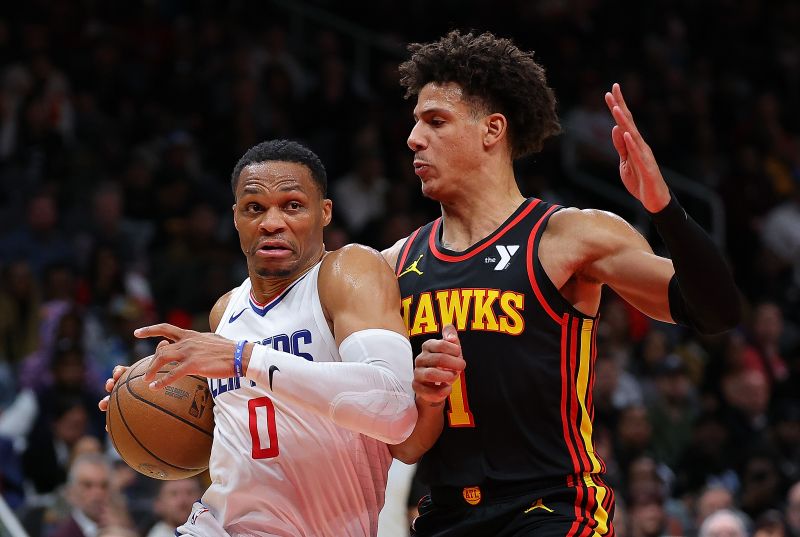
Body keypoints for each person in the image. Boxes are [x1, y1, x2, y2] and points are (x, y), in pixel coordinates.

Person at [382, 30, 740, 536]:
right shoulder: (394, 263)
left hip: (553, 505)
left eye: (436, 121)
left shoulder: (567, 237)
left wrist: (663, 207)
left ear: (492, 130)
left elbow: (717, 311)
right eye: (415, 122)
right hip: (445, 512)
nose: (414, 138)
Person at [100, 139, 422, 536]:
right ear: (236, 218)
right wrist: (150, 392)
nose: (272, 222)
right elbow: (240, 435)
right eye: (255, 208)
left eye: (292, 205)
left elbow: (395, 410)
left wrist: (243, 358)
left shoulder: (345, 273)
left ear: (324, 213)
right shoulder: (226, 311)